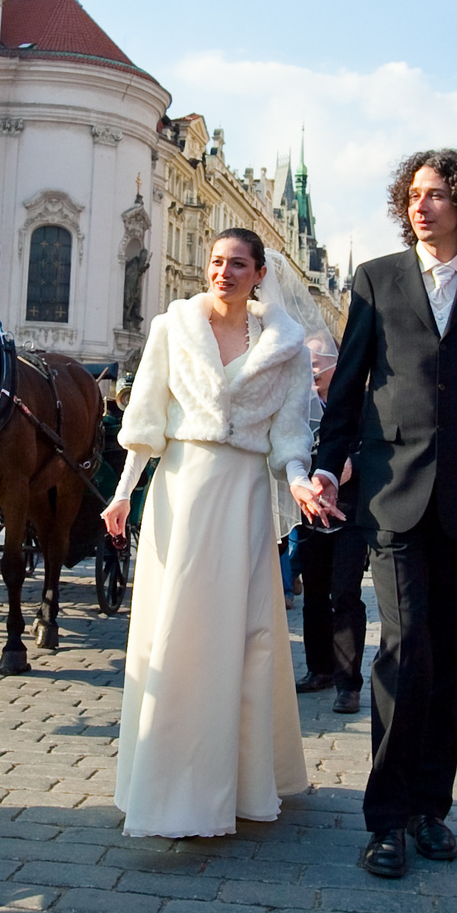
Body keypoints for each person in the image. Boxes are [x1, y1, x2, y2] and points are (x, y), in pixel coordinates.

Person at [299, 149, 457, 880]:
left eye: (438, 194)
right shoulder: (377, 279)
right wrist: (328, 462)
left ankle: (428, 807)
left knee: (449, 659)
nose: (423, 205)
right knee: (404, 650)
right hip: (391, 493)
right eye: (414, 194)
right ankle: (385, 818)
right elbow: (348, 383)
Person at [100, 230, 313, 838]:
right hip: (181, 489)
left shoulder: (287, 346)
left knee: (244, 639)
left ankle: (239, 787)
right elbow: (144, 418)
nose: (223, 272)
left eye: (236, 264)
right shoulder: (173, 328)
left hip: (245, 494)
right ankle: (166, 791)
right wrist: (122, 495)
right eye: (216, 261)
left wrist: (298, 478)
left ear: (258, 273)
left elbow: (291, 432)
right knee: (175, 632)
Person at [295, 338, 369, 715]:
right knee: (314, 595)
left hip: (351, 512)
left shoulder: (363, 401)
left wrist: (354, 463)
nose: (311, 373)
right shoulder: (297, 406)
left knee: (344, 595)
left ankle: (347, 682)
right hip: (310, 512)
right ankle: (319, 668)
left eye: (316, 365)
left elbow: (382, 448)